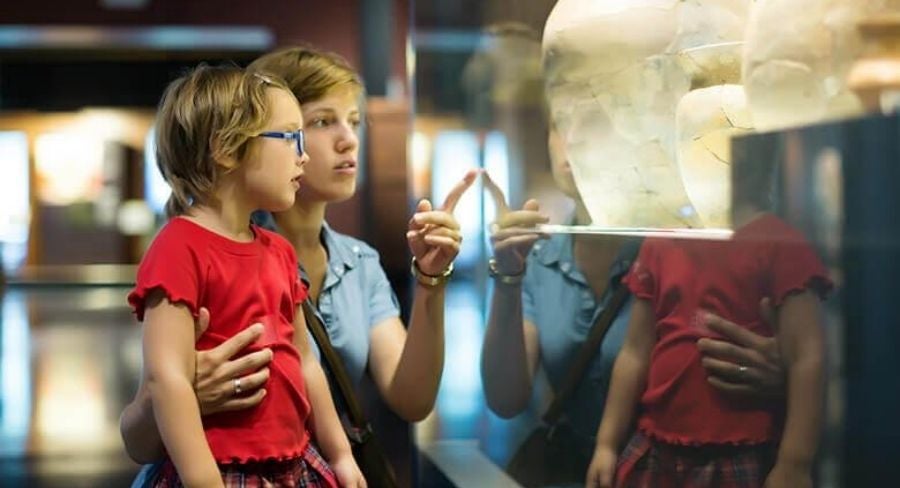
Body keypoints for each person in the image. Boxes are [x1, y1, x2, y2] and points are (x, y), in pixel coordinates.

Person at [120, 46, 476, 485]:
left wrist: (431, 277)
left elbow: (410, 398)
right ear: (231, 144)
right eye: (320, 123)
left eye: (354, 120)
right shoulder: (189, 245)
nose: (349, 140)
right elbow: (147, 415)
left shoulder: (349, 261)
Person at [480, 126, 790, 487]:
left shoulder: (683, 247)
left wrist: (781, 375)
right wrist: (508, 276)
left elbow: (789, 357)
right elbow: (505, 399)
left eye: (592, 118)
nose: (574, 138)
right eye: (559, 123)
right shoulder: (542, 257)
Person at [127, 65, 364, 487]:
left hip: (295, 464)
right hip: (221, 471)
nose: (303, 155)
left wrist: (342, 454)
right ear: (226, 148)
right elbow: (167, 378)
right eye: (290, 137)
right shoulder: (178, 248)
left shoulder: (279, 252)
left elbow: (305, 361)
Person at [586, 179, 832, 487]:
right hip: (657, 445)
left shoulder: (779, 243)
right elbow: (635, 352)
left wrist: (794, 463)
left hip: (741, 451)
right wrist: (607, 444)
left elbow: (808, 356)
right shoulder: (662, 239)